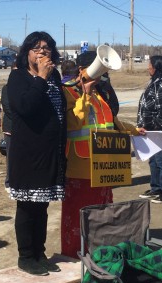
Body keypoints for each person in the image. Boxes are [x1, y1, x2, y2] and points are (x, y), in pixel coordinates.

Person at [7, 31, 67, 276]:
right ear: (27, 53)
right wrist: (40, 78)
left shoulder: (56, 77)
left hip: (50, 152)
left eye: (46, 48)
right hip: (28, 154)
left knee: (42, 206)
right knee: (27, 206)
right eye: (36, 48)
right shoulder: (18, 77)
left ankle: (39, 253)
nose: (42, 52)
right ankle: (26, 256)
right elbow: (25, 107)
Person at [61, 52, 119, 259]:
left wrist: (133, 130)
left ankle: (97, 255)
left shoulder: (99, 95)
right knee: (78, 215)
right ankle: (74, 255)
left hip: (103, 166)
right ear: (81, 71)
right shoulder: (68, 93)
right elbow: (73, 123)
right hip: (80, 167)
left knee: (101, 215)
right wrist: (84, 95)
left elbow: (112, 122)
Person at [137, 56, 162, 203]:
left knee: (160, 161)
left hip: (158, 131)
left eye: (150, 64)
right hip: (150, 131)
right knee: (153, 161)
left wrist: (153, 124)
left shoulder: (160, 84)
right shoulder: (154, 82)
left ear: (156, 67)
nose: (148, 67)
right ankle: (156, 188)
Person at [1, 61, 17, 194]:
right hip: (11, 128)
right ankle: (9, 182)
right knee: (11, 156)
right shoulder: (6, 88)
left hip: (25, 130)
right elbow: (7, 108)